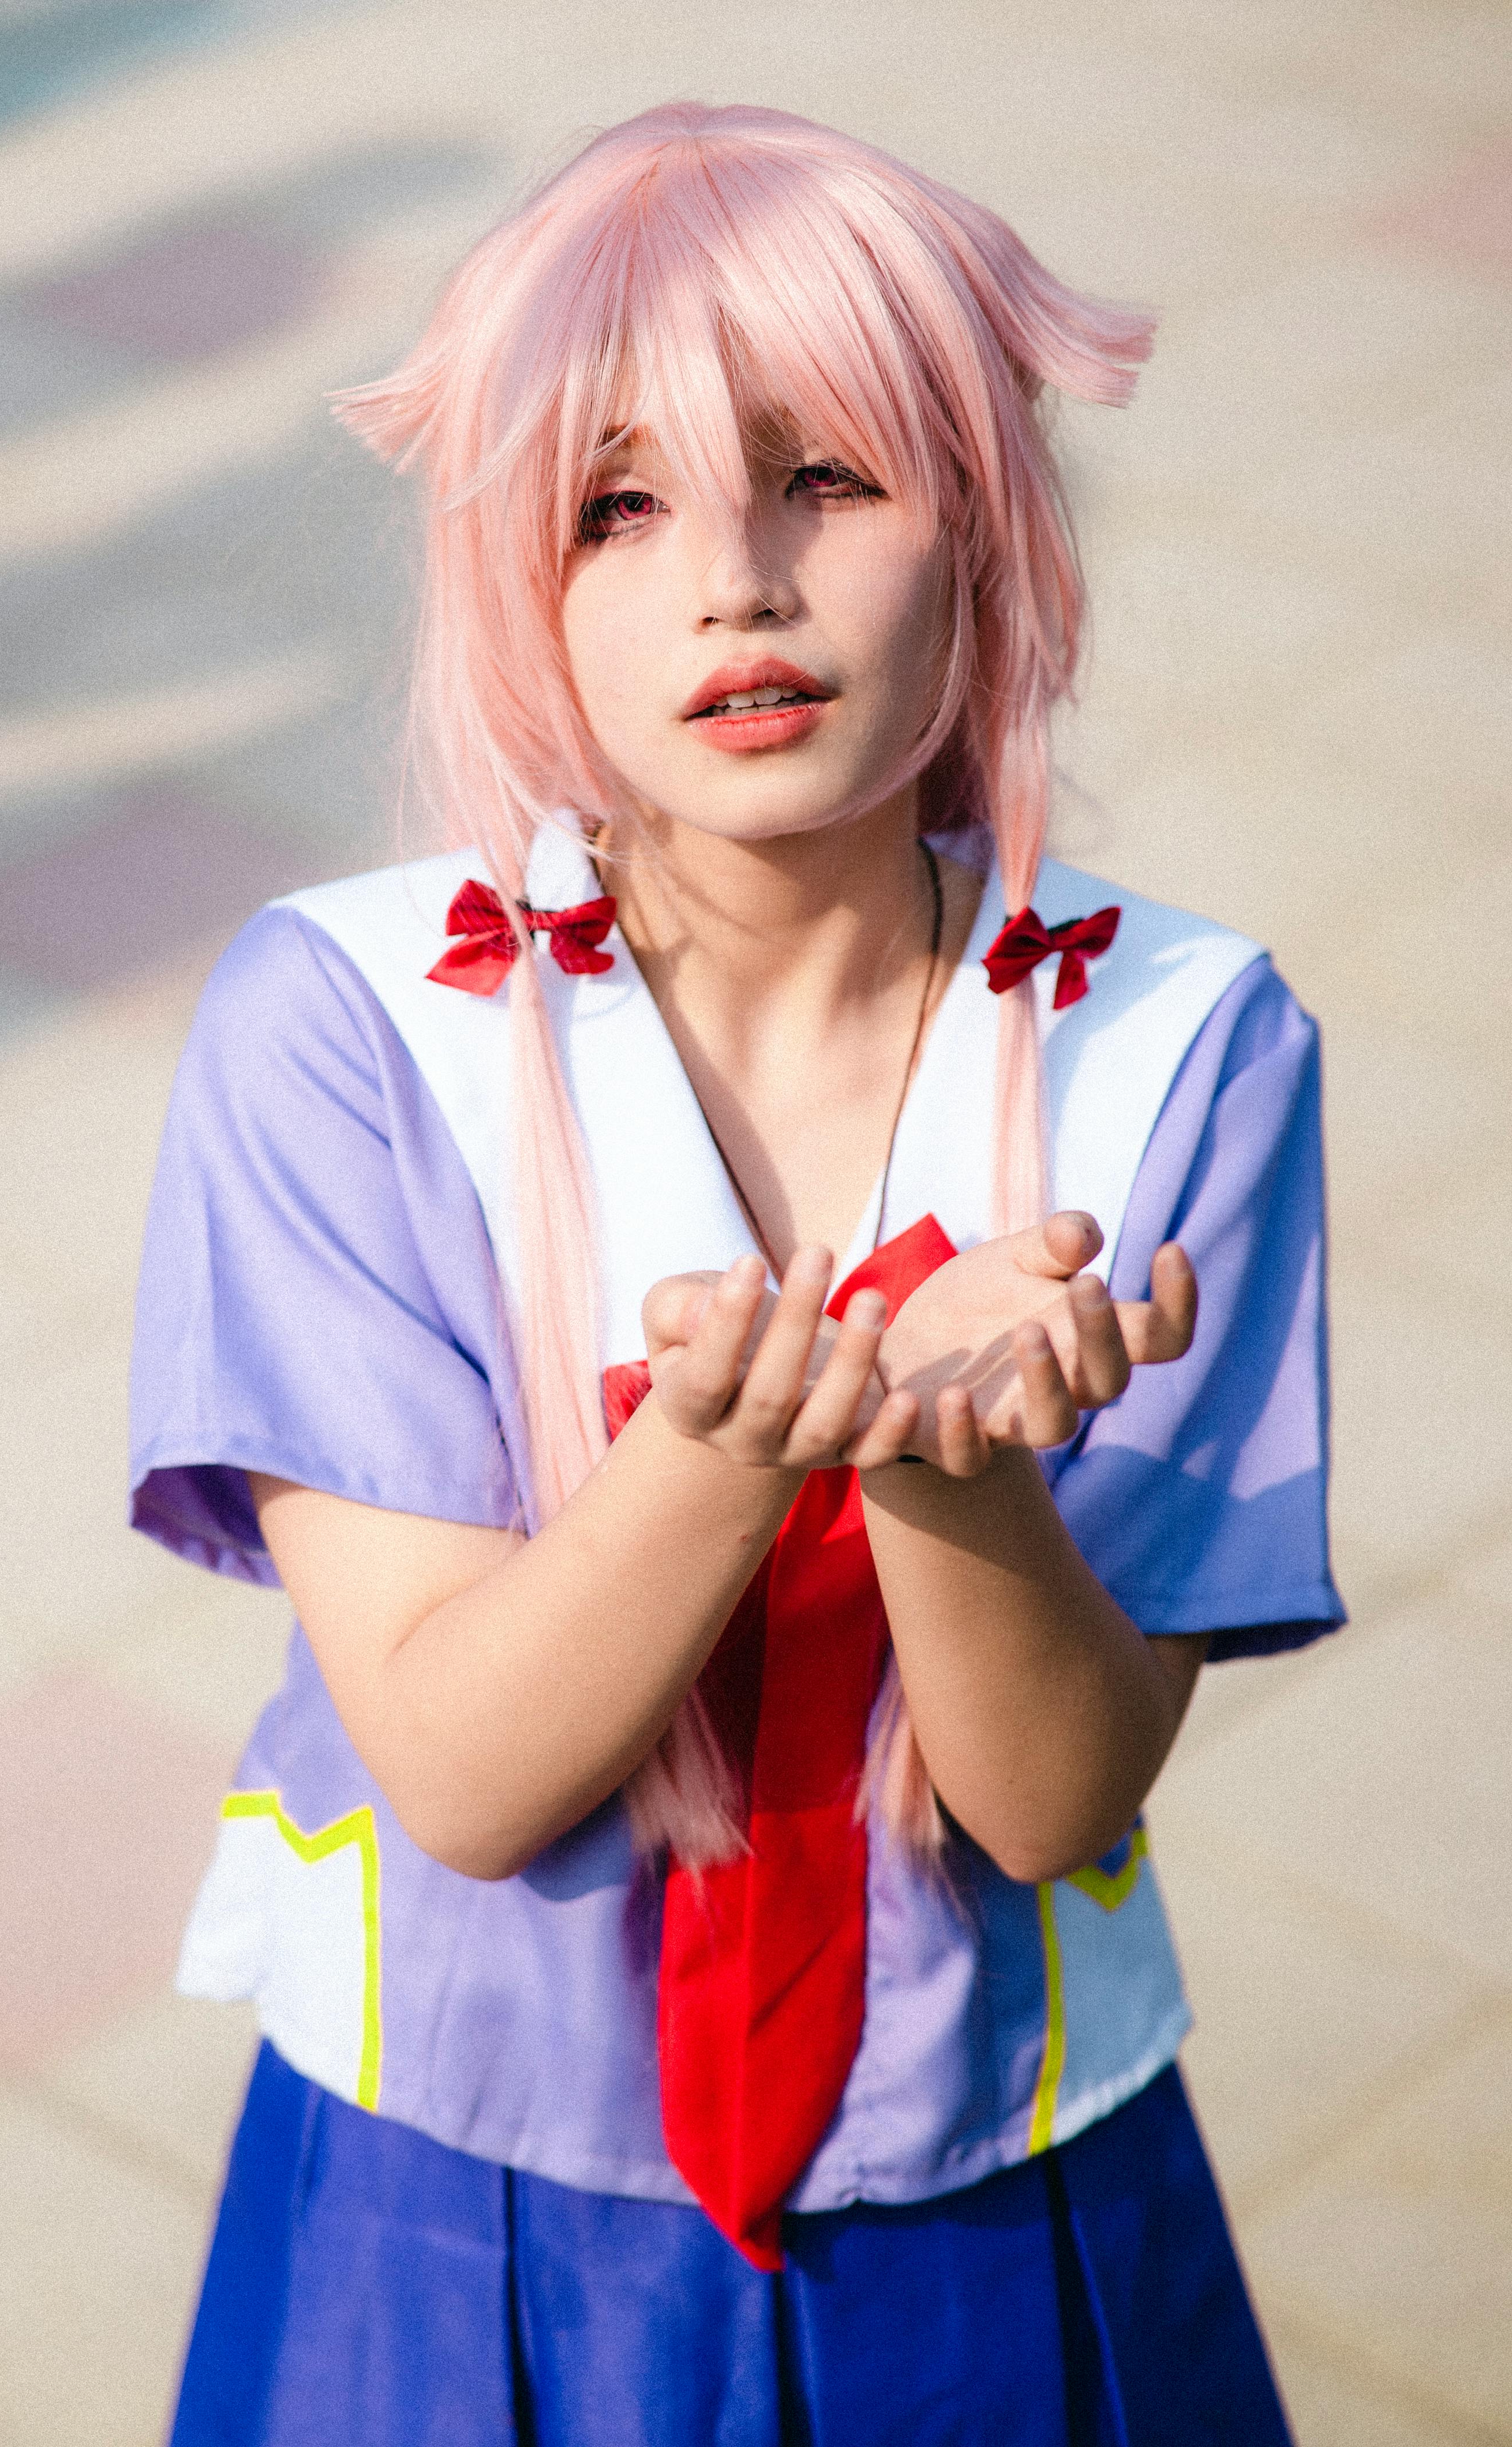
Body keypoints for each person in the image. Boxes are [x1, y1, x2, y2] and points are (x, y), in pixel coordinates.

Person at [132, 102, 1342, 2446]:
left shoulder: (1186, 1048)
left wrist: (954, 1475)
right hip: (451, 2192)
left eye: (827, 476)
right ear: (514, 580)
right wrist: (733, 1444)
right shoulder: (348, 1030)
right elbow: (469, 1772)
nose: (735, 584)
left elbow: (1052, 1796)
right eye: (619, 502)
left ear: (982, 519)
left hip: (1002, 2196)